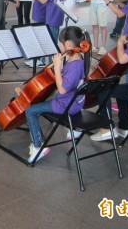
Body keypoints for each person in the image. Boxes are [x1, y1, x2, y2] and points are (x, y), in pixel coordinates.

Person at [25, 26, 92, 163]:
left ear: (67, 44)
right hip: (76, 103)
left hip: (66, 105)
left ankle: (38, 146)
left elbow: (62, 90)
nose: (58, 45)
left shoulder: (74, 65)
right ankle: (73, 131)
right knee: (43, 101)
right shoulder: (79, 58)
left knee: (31, 110)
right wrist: (60, 68)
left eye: (59, 42)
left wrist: (56, 67)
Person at [91, 2, 128, 142]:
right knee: (119, 91)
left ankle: (107, 129)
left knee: (103, 91)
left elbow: (123, 60)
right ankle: (123, 128)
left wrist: (120, 44)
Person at [23, 0, 50, 68]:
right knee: (37, 36)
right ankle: (38, 59)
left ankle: (41, 60)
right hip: (36, 11)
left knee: (42, 37)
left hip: (43, 12)